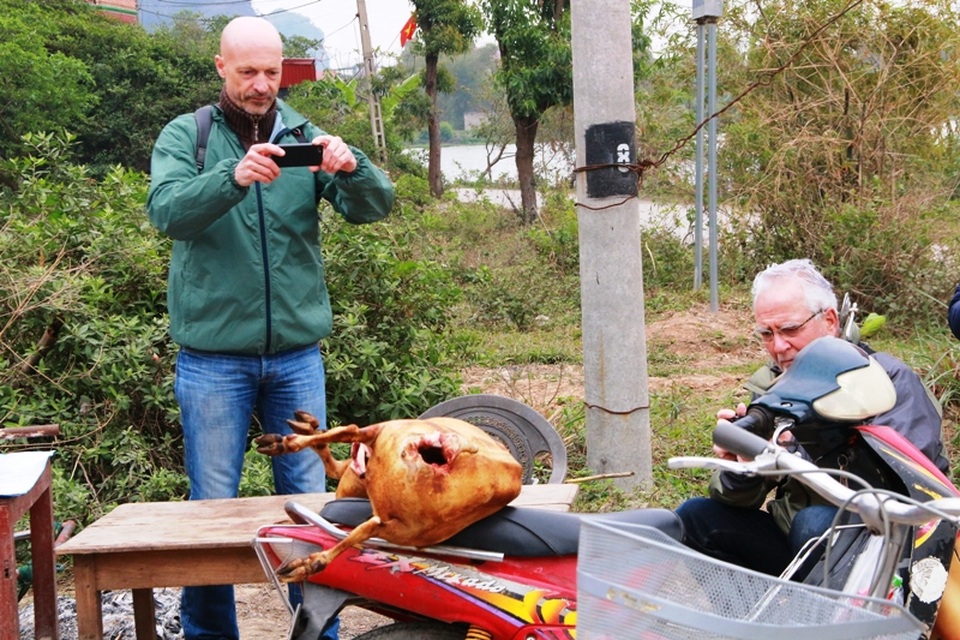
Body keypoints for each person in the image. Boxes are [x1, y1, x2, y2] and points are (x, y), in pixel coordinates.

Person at [146, 16, 394, 640]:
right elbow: (167, 212)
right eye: (248, 71)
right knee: (213, 511)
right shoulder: (189, 135)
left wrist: (350, 165)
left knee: (311, 509)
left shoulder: (304, 136)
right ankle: (209, 636)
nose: (261, 85)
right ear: (221, 67)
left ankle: (317, 633)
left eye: (271, 71)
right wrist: (231, 179)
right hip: (211, 359)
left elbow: (374, 207)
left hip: (296, 357)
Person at [676, 259, 948, 576]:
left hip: (882, 546)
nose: (779, 346)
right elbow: (737, 499)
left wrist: (806, 445)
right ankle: (757, 622)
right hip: (797, 536)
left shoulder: (888, 380)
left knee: (814, 523)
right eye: (767, 333)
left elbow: (910, 491)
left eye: (790, 329)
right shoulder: (772, 386)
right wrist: (743, 467)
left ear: (830, 321)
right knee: (695, 517)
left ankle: (823, 622)